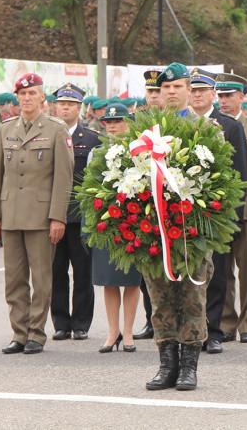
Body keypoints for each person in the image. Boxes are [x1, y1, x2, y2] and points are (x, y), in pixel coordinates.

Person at [0, 74, 74, 355]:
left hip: (41, 217)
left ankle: (36, 333)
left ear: (42, 99)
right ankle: (19, 333)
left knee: (41, 278)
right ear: (17, 98)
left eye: (32, 93)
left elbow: (63, 179)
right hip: (10, 213)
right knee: (13, 279)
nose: (26, 98)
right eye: (22, 94)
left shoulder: (56, 130)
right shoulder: (5, 129)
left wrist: (58, 217)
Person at [143, 63, 214, 391]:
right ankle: (166, 365)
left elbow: (219, 183)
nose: (171, 92)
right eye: (165, 88)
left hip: (191, 232)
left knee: (191, 296)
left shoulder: (205, 127)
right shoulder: (146, 129)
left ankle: (189, 367)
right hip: (155, 230)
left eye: (178, 86)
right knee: (160, 298)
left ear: (189, 90)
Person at [188, 68, 247, 354]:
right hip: (185, 210)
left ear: (213, 93)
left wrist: (233, 217)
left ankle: (213, 330)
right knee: (188, 272)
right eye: (194, 90)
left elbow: (240, 174)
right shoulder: (179, 123)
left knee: (217, 273)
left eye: (202, 90)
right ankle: (190, 330)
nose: (197, 95)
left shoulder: (229, 126)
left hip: (217, 212)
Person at [216, 74, 247, 344]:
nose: (224, 101)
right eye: (220, 96)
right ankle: (226, 322)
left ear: (241, 97)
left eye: (229, 96)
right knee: (221, 270)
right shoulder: (213, 124)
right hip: (220, 210)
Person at [50, 84, 102, 343]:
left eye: (71, 104)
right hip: (53, 214)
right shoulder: (47, 136)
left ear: (80, 108)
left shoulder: (92, 139)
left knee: (83, 273)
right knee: (56, 271)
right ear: (55, 107)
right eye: (62, 103)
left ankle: (81, 323)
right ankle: (60, 322)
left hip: (81, 216)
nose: (66, 107)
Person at [89, 102, 142, 353]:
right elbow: (86, 193)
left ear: (128, 123)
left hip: (132, 222)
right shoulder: (96, 152)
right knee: (109, 280)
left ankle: (129, 332)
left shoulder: (138, 151)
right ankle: (113, 332)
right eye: (108, 122)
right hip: (105, 223)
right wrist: (87, 229)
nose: (111, 126)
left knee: (132, 279)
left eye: (117, 121)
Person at [133, 69, 165, 342]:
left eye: (158, 92)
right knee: (146, 273)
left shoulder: (172, 122)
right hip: (145, 208)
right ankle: (150, 320)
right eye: (150, 92)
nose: (154, 97)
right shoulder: (138, 123)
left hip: (169, 205)